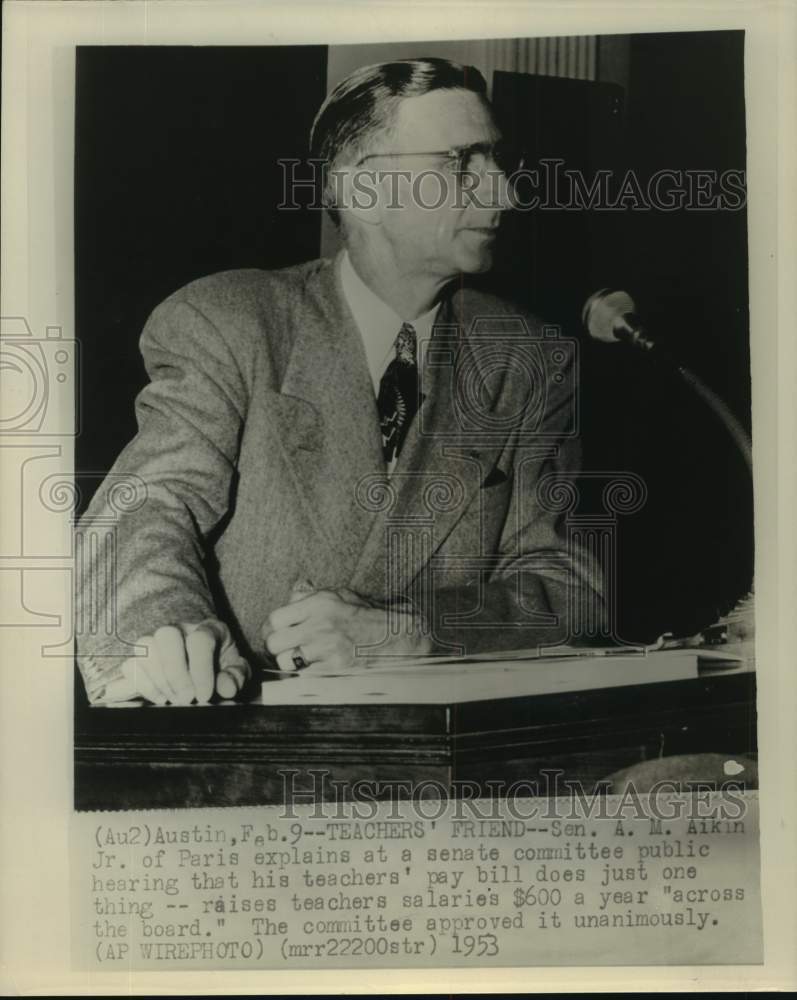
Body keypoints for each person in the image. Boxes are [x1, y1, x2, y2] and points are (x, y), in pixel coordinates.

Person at [75, 57, 603, 706]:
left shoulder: (526, 356)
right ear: (362, 191)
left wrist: (415, 633)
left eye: (495, 161)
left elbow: (570, 588)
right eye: (461, 162)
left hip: (443, 762)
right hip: (245, 753)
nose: (504, 192)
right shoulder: (232, 322)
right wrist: (163, 633)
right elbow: (145, 506)